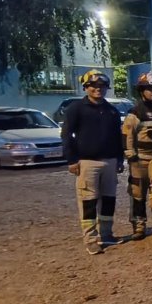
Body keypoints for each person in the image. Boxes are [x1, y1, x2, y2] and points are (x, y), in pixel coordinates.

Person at [61, 70, 124, 255]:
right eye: (94, 86)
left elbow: (117, 137)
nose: (98, 89)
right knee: (88, 202)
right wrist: (72, 160)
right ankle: (90, 239)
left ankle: (106, 234)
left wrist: (120, 160)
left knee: (108, 201)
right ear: (86, 87)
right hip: (87, 162)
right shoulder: (76, 108)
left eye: (102, 86)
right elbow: (66, 135)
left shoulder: (112, 111)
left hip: (110, 162)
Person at [123, 71, 152, 240]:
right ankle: (139, 226)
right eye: (150, 89)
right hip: (140, 160)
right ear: (142, 90)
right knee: (137, 194)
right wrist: (132, 158)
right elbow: (127, 136)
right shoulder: (135, 112)